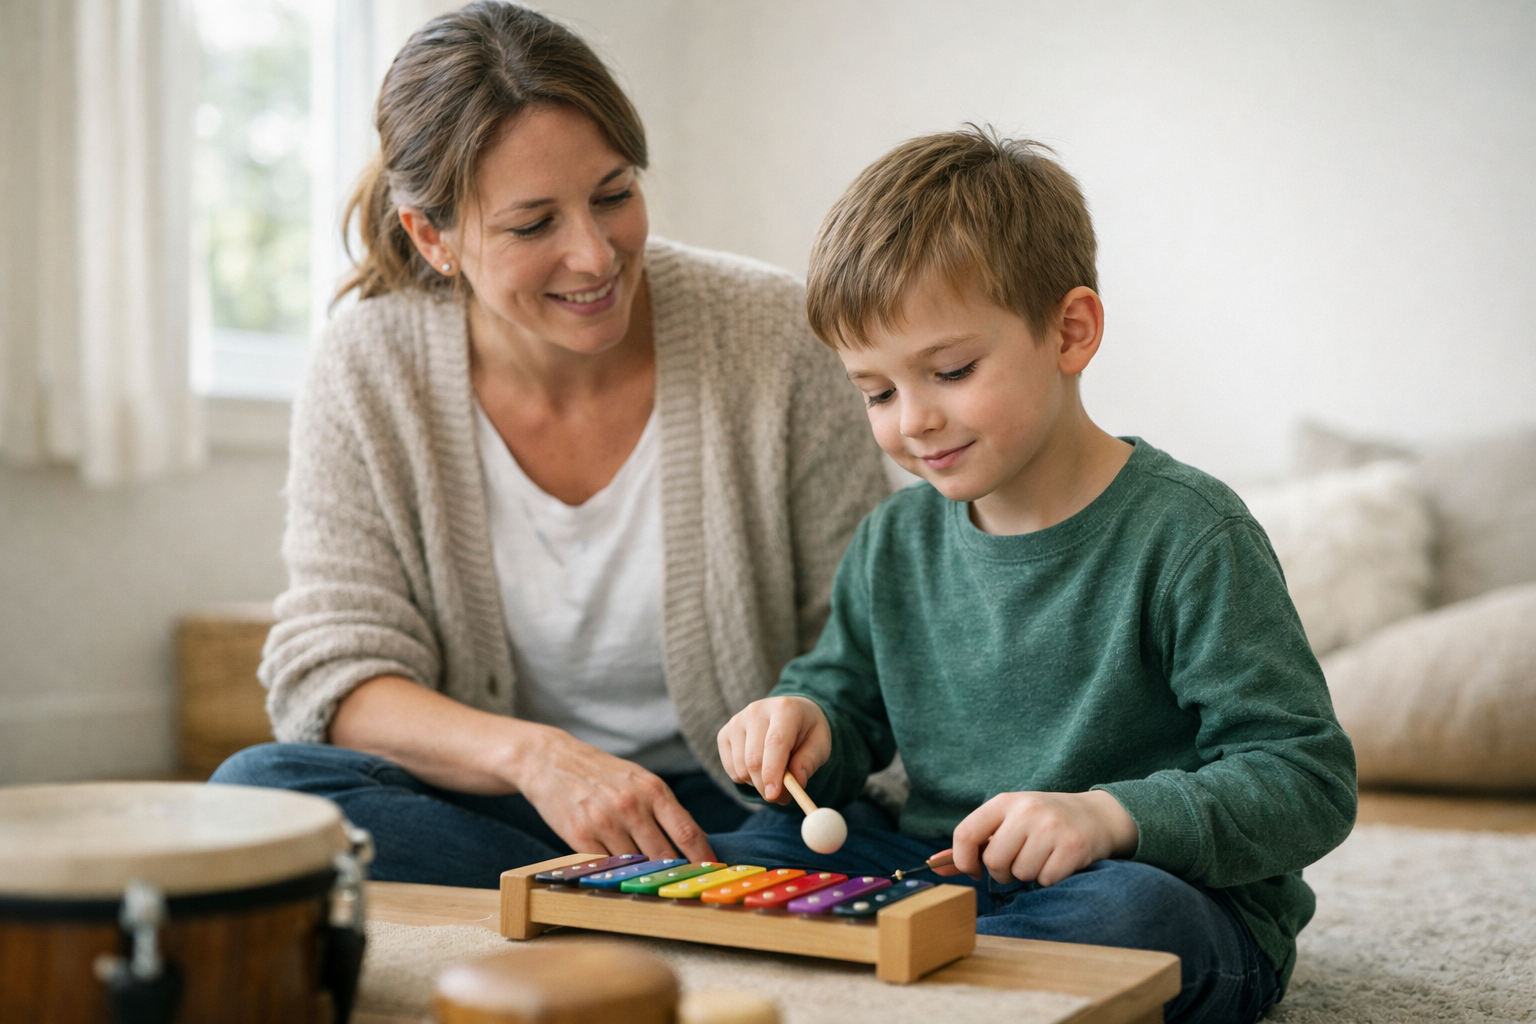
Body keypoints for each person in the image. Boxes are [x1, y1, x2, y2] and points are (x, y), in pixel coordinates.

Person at [210, 1, 889, 889]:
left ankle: (617, 903)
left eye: (615, 195)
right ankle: (660, 909)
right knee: (261, 789)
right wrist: (539, 760)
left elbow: (867, 637)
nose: (597, 256)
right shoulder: (367, 363)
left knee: (908, 854)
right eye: (534, 225)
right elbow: (333, 673)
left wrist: (804, 737)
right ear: (432, 236)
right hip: (510, 804)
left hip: (740, 812)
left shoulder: (771, 335)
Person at [711, 129, 1357, 1024]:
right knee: (757, 845)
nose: (914, 421)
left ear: (1070, 331)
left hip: (1144, 887)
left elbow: (1306, 779)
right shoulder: (894, 540)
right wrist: (805, 723)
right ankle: (935, 965)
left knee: (1131, 915)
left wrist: (1107, 818)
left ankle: (920, 970)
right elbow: (846, 703)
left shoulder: (1190, 534)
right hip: (933, 873)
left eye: (950, 370)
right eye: (877, 392)